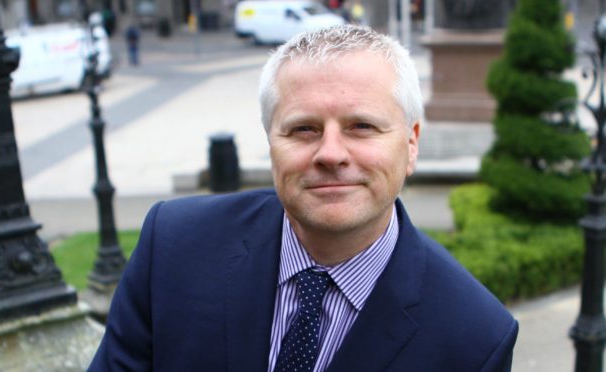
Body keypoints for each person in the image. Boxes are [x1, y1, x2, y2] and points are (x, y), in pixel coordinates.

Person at [89, 25, 518, 371]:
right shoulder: (174, 247)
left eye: (362, 126)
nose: (331, 153)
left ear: (410, 143)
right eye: (303, 129)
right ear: (271, 141)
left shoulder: (474, 337)